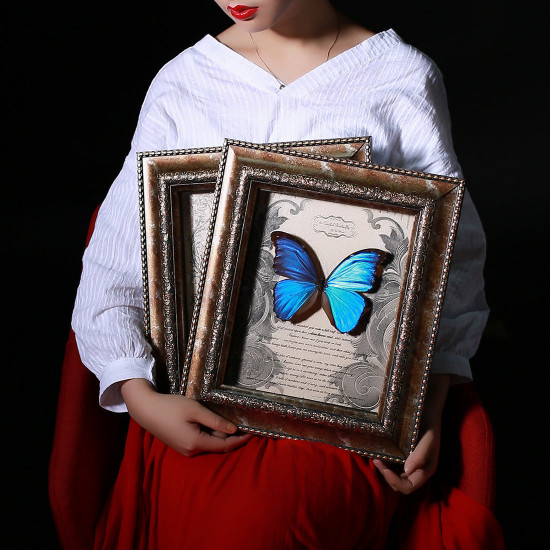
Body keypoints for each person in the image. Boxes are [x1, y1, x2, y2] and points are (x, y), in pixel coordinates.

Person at [71, 1, 491, 548]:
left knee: (263, 526)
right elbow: (116, 261)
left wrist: (426, 404)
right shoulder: (183, 83)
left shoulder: (402, 79)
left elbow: (450, 261)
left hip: (341, 413)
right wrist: (140, 396)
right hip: (197, 409)